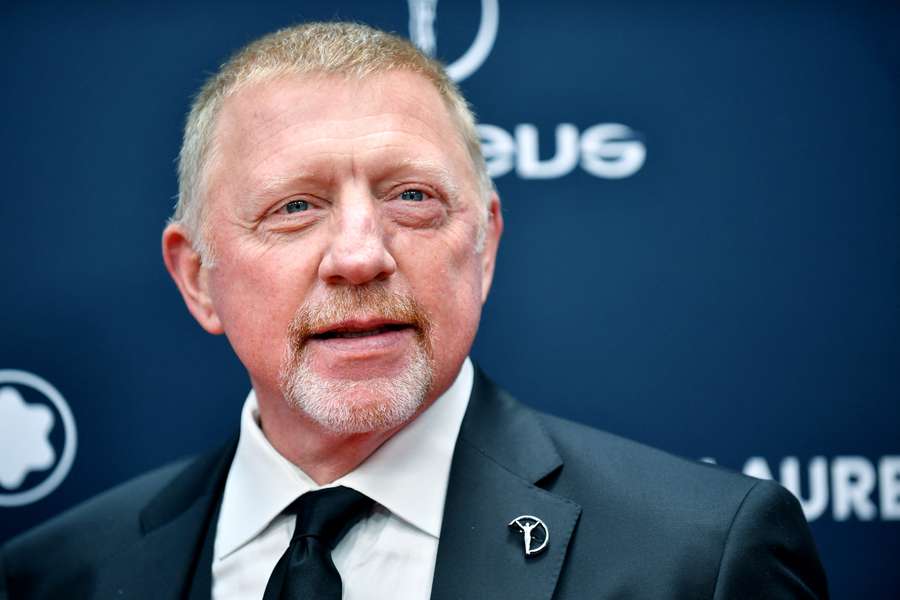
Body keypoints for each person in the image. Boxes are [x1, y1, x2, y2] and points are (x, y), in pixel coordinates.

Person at [0, 22, 828, 600]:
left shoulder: (701, 559)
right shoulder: (58, 574)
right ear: (198, 279)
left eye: (413, 196)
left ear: (486, 245)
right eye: (295, 207)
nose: (361, 254)